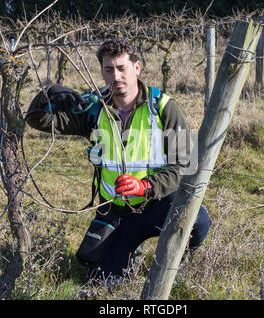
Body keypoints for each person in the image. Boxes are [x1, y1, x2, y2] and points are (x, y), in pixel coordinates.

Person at [25, 39, 211, 285]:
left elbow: (186, 166)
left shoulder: (164, 108)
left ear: (137, 67)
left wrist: (146, 186)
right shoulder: (93, 108)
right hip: (116, 211)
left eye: (122, 68)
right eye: (109, 69)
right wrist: (48, 94)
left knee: (199, 221)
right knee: (101, 283)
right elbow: (36, 120)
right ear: (101, 71)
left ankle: (172, 267)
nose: (116, 76)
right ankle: (128, 257)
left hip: (158, 204)